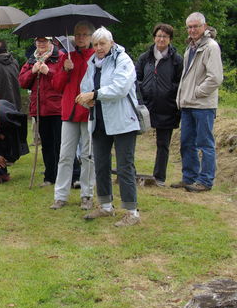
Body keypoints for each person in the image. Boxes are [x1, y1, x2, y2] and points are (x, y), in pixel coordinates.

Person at [76, 27, 141, 227]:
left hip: (122, 121)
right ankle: (105, 206)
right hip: (99, 120)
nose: (98, 48)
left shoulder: (123, 60)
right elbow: (85, 87)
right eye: (95, 44)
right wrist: (86, 99)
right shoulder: (92, 63)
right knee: (101, 164)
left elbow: (120, 88)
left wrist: (95, 95)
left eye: (102, 43)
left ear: (111, 43)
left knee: (124, 166)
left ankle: (132, 212)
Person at [173, 12, 223, 192]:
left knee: (205, 143)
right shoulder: (190, 48)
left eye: (196, 26)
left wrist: (196, 92)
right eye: (189, 27)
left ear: (205, 26)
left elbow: (215, 78)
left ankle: (205, 181)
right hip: (188, 104)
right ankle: (189, 178)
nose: (192, 30)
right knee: (187, 142)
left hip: (203, 105)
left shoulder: (211, 47)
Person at [49, 21, 96, 210]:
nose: (81, 38)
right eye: (77, 34)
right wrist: (64, 70)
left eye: (84, 34)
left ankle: (87, 194)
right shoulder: (66, 58)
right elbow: (56, 85)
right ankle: (60, 195)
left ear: (91, 37)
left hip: (88, 111)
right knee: (65, 156)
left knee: (88, 155)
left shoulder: (95, 57)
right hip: (69, 111)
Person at [135, 23, 183, 187]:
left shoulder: (177, 59)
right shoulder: (144, 57)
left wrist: (169, 91)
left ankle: (159, 177)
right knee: (131, 139)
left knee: (163, 144)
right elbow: (136, 78)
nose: (161, 39)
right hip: (146, 105)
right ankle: (129, 173)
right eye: (159, 35)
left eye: (165, 36)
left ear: (170, 39)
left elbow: (180, 82)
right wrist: (142, 92)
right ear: (154, 37)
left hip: (167, 107)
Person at [18, 37, 63, 186]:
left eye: (44, 41)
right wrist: (33, 71)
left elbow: (64, 80)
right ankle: (49, 177)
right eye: (38, 41)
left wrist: (48, 72)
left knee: (60, 144)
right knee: (47, 144)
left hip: (57, 108)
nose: (41, 43)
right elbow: (22, 82)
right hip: (40, 109)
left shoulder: (60, 57)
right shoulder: (32, 59)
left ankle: (65, 176)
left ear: (51, 42)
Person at [0, 40, 26, 183]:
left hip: (0, 107)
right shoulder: (14, 62)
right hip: (14, 105)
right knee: (7, 137)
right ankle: (2, 170)